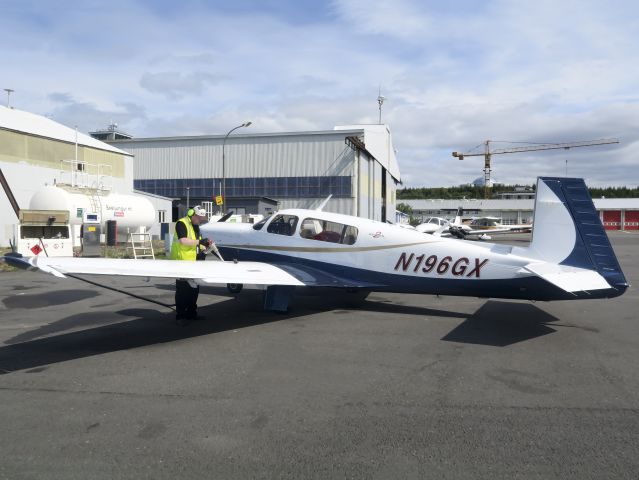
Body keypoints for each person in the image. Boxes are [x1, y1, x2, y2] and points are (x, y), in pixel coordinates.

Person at [170, 205, 212, 324]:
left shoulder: (196, 226)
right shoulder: (181, 223)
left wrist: (205, 247)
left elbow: (196, 242)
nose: (200, 221)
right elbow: (183, 241)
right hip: (181, 262)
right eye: (198, 218)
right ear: (192, 214)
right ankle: (181, 316)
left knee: (194, 289)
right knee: (183, 290)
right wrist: (200, 241)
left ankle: (192, 314)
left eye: (201, 219)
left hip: (193, 262)